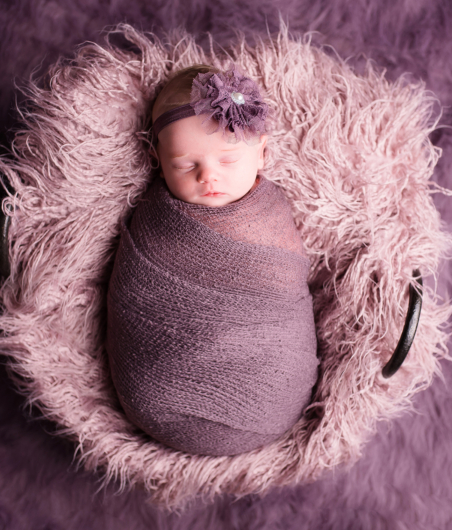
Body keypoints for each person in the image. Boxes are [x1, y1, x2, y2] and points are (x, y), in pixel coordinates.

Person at [105, 64, 319, 456]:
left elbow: (283, 290)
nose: (208, 177)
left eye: (227, 161)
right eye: (185, 165)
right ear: (156, 158)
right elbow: (135, 294)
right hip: (157, 395)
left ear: (263, 152)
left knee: (277, 363)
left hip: (270, 391)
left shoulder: (271, 214)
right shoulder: (156, 216)